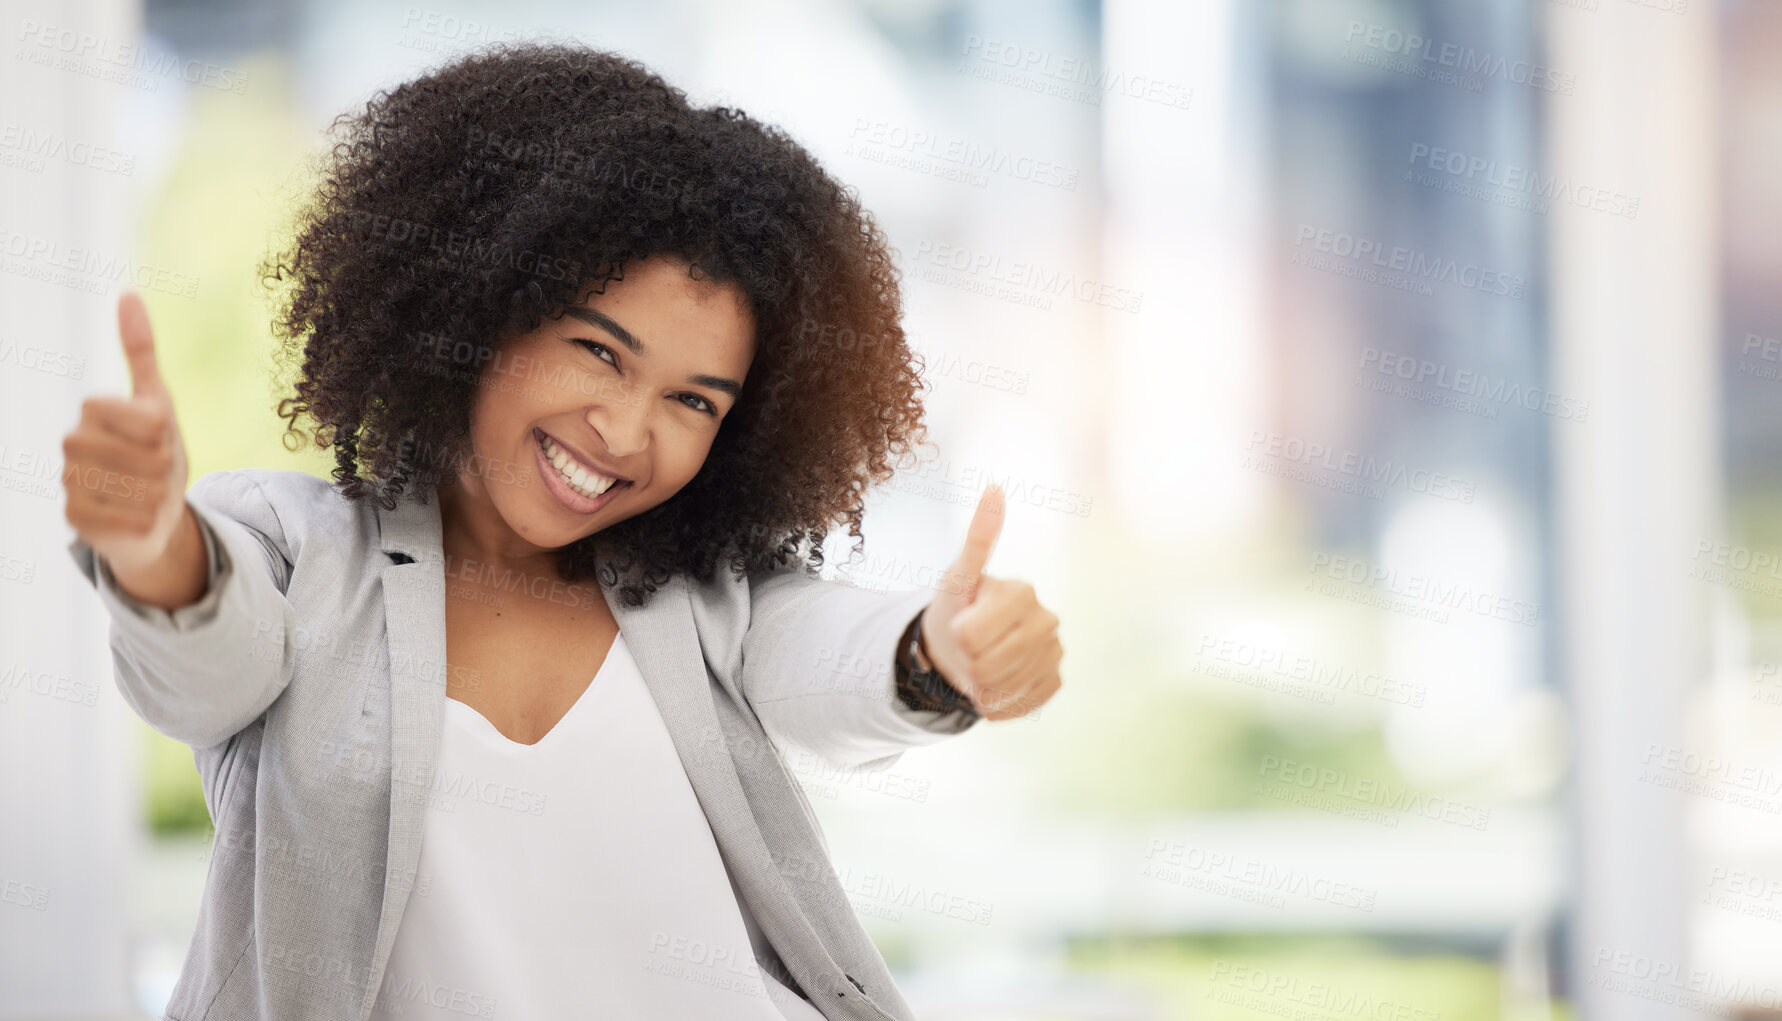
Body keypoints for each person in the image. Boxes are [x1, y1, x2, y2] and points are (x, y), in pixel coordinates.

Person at [60, 41, 1063, 1021]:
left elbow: (826, 655)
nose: (626, 432)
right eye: (598, 351)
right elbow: (206, 666)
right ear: (487, 304)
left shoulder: (707, 600)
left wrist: (937, 654)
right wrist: (151, 543)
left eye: (694, 402)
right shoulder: (291, 547)